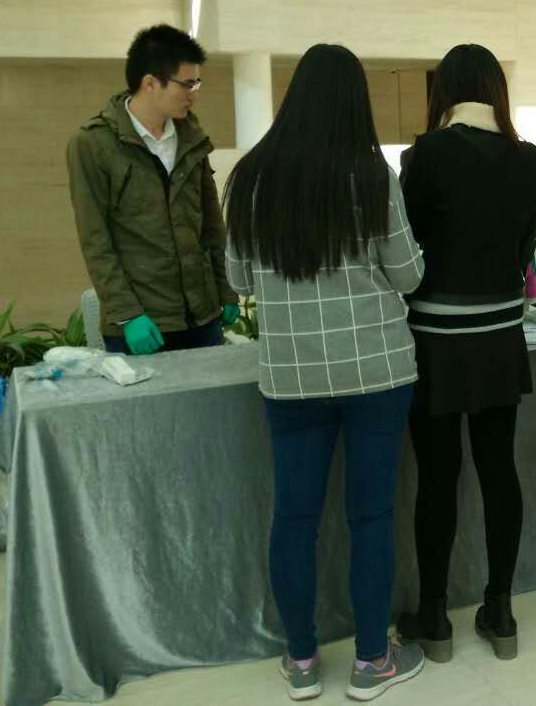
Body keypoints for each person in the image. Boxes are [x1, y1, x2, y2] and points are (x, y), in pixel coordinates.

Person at [224, 44, 426, 701]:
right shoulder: (373, 176)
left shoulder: (251, 178)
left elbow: (239, 279)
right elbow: (408, 274)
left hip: (291, 380)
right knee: (371, 518)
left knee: (294, 519)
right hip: (376, 373)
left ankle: (303, 661)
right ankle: (371, 663)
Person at [396, 44, 536, 663]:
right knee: (499, 470)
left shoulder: (424, 154)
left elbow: (403, 251)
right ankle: (500, 610)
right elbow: (524, 250)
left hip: (435, 340)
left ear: (445, 92)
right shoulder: (526, 157)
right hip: (500, 336)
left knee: (437, 478)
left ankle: (434, 617)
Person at [66, 24, 239, 355]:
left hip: (202, 316)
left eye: (197, 83)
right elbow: (95, 239)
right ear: (150, 83)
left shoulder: (191, 136)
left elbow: (211, 222)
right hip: (142, 323)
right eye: (187, 84)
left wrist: (226, 287)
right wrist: (128, 315)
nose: (193, 94)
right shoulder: (93, 143)